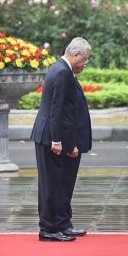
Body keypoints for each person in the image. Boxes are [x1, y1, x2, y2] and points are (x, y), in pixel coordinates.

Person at [30, 37, 92, 242]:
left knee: (62, 182)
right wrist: (59, 141)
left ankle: (63, 223)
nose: (86, 63)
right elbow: (57, 111)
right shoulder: (63, 72)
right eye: (85, 59)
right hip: (51, 137)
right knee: (51, 184)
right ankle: (48, 227)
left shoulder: (62, 69)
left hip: (55, 136)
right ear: (75, 55)